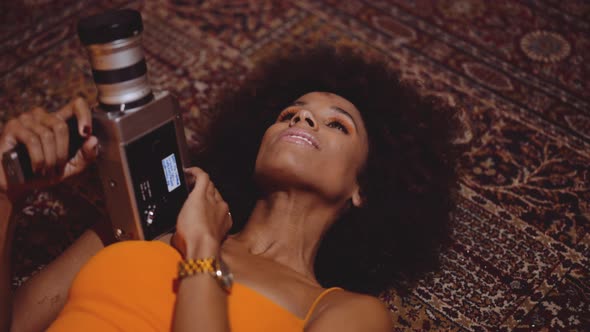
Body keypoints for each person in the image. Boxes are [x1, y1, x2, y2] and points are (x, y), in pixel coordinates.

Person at [0, 47, 463, 331]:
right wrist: (8, 194)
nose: (302, 118)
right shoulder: (146, 220)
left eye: (337, 125)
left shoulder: (349, 314)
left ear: (363, 188)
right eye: (289, 114)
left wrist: (203, 251)